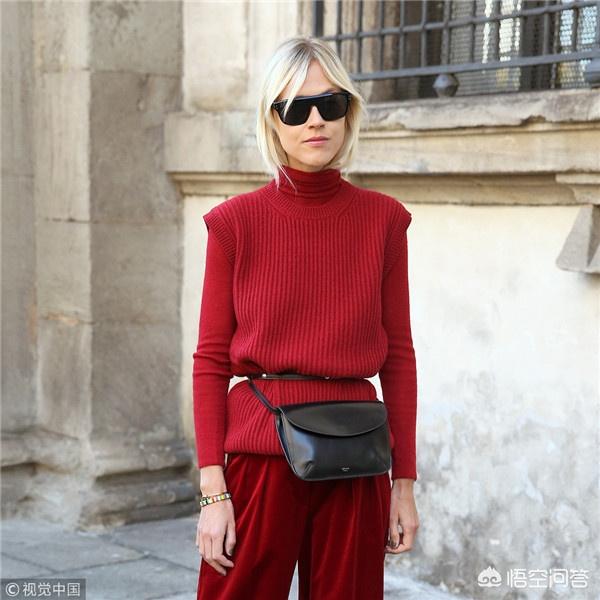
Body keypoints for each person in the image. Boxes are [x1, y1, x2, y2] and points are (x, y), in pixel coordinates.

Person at [193, 36, 419, 600]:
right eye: (295, 108)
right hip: (260, 457)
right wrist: (213, 491)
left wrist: (404, 483)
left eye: (330, 104)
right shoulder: (234, 224)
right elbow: (211, 360)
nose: (316, 120)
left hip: (357, 458)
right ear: (274, 122)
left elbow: (398, 357)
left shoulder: (385, 221)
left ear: (348, 113)